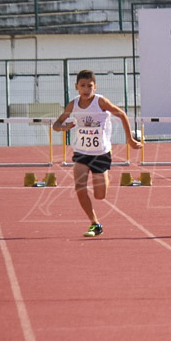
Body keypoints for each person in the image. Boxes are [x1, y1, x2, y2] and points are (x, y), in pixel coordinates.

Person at [52, 70, 141, 237]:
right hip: (81, 152)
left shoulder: (101, 102)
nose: (86, 89)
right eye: (83, 86)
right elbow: (56, 124)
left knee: (100, 195)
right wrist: (64, 128)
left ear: (95, 87)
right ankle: (94, 222)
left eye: (89, 86)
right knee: (79, 187)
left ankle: (104, 174)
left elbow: (121, 114)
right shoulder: (73, 104)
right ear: (76, 87)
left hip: (101, 153)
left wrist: (129, 139)